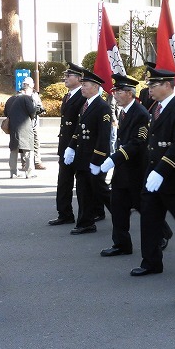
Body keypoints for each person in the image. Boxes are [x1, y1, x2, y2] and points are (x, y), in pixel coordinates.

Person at [130, 67, 175, 276]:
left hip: (172, 174)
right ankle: (151, 262)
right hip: (153, 172)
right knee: (149, 217)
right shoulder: (156, 106)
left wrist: (162, 170)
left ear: (167, 85)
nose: (149, 89)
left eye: (153, 85)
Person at [99, 74, 149, 257]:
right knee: (118, 207)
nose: (115, 95)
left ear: (129, 93)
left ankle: (162, 233)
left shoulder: (141, 113)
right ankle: (121, 244)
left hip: (135, 169)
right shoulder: (124, 111)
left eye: (118, 91)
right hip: (122, 169)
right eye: (115, 91)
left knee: (143, 206)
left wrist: (115, 158)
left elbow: (138, 143)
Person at [63, 69, 112, 235]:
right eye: (82, 84)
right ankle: (86, 222)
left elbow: (103, 137)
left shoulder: (102, 107)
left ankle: (121, 212)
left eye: (85, 85)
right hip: (83, 156)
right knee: (84, 191)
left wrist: (97, 159)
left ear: (96, 87)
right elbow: (79, 128)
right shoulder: (86, 104)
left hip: (94, 157)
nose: (82, 88)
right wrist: (71, 146)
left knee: (102, 192)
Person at [48, 62, 86, 225]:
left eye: (68, 76)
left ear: (78, 78)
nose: (65, 78)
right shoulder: (68, 95)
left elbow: (80, 123)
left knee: (86, 183)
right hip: (65, 145)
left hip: (77, 145)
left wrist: (73, 144)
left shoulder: (83, 97)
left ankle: (94, 212)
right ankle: (64, 213)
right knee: (64, 180)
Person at [4, 89, 36, 179]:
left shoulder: (10, 99)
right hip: (25, 126)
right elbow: (32, 111)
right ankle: (29, 172)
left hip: (13, 127)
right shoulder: (26, 98)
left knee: (14, 150)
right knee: (28, 150)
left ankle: (13, 172)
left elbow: (5, 112)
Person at [20, 77, 47, 170]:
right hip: (23, 123)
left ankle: (37, 162)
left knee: (36, 142)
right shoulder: (20, 95)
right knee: (24, 143)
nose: (25, 86)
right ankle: (25, 163)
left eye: (27, 85)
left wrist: (40, 110)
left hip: (34, 122)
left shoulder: (35, 95)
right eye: (24, 84)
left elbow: (40, 105)